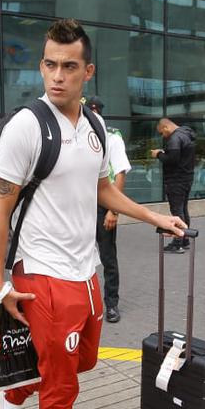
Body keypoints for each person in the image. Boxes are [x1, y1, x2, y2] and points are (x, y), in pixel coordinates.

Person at [0, 18, 185, 409]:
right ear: (41, 66)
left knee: (81, 364)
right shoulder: (26, 127)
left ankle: (12, 392)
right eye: (50, 64)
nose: (58, 76)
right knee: (61, 385)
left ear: (88, 72)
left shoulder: (95, 127)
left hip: (85, 269)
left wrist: (155, 217)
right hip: (42, 272)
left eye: (69, 66)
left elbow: (103, 189)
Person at [87, 96, 131, 323]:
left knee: (107, 256)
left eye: (95, 112)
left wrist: (114, 210)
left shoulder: (112, 137)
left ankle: (111, 303)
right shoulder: (75, 135)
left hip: (103, 204)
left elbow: (120, 172)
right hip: (79, 204)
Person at [153, 117, 195, 253]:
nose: (162, 136)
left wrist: (158, 154)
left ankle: (178, 242)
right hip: (186, 178)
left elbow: (172, 159)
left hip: (176, 180)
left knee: (177, 211)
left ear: (166, 127)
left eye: (162, 132)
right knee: (183, 209)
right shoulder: (186, 135)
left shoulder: (175, 138)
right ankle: (185, 238)